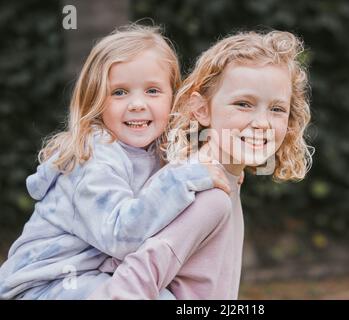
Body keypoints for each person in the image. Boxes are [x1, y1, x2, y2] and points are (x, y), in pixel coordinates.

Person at [0, 23, 231, 300]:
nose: (137, 104)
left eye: (153, 91)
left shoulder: (159, 151)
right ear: (95, 100)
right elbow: (122, 237)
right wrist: (184, 177)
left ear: (174, 98)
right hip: (47, 285)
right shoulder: (93, 157)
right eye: (119, 92)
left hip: (95, 277)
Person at [89, 29, 313, 299]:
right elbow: (130, 285)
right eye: (243, 104)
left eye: (277, 109)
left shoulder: (222, 177)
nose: (262, 123)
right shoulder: (205, 194)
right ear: (202, 109)